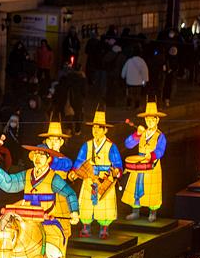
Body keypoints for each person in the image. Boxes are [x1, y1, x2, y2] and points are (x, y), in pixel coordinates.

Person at [70, 110, 122, 239]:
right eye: (94, 127)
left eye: (99, 128)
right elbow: (79, 161)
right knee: (86, 203)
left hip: (104, 178)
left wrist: (116, 171)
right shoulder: (86, 145)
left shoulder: (111, 147)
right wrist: (74, 172)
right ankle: (86, 227)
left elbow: (117, 164)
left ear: (105, 130)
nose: (96, 130)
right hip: (89, 177)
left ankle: (104, 229)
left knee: (105, 204)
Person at [121, 101, 167, 222]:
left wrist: (151, 155)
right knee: (136, 187)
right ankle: (135, 211)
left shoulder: (160, 135)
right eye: (147, 119)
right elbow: (128, 144)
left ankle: (153, 212)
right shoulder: (142, 133)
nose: (150, 122)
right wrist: (137, 134)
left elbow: (161, 150)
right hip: (139, 163)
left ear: (157, 120)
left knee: (152, 189)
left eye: (152, 119)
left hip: (152, 164)